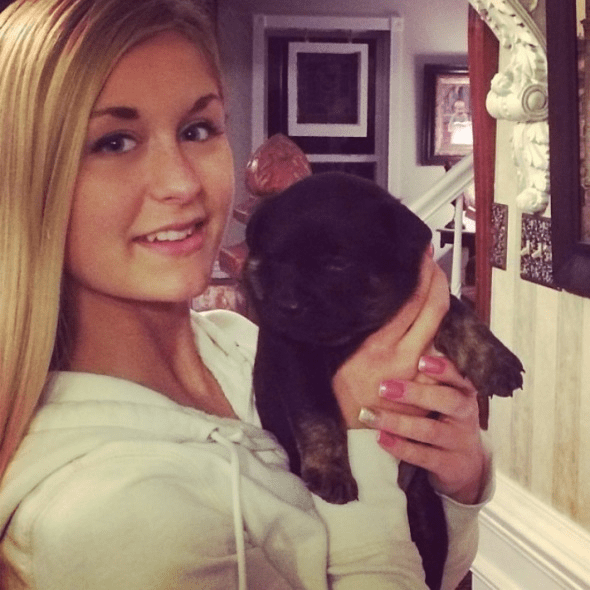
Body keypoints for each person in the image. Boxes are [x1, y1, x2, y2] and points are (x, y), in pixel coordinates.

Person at [0, 1, 492, 588]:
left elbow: (434, 573)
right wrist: (359, 443)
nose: (182, 182)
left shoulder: (238, 341)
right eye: (114, 142)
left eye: (197, 129)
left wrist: (454, 483)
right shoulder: (109, 516)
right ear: (29, 180)